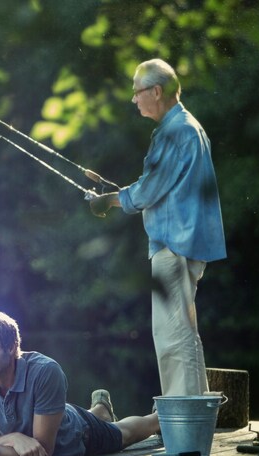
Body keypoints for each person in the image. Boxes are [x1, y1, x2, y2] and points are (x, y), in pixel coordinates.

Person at [87, 58, 226, 398]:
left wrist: (107, 200)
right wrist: (118, 195)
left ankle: (185, 424)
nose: (134, 100)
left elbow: (148, 191)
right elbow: (157, 184)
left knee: (173, 334)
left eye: (137, 92)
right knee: (180, 332)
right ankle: (190, 419)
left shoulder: (176, 131)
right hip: (183, 242)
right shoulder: (185, 127)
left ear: (156, 91)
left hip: (174, 245)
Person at [0, 311, 160, 456]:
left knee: (123, 434)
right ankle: (100, 411)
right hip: (46, 420)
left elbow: (42, 450)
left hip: (75, 434)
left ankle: (158, 419)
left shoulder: (46, 370)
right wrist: (15, 439)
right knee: (99, 420)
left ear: (12, 348)